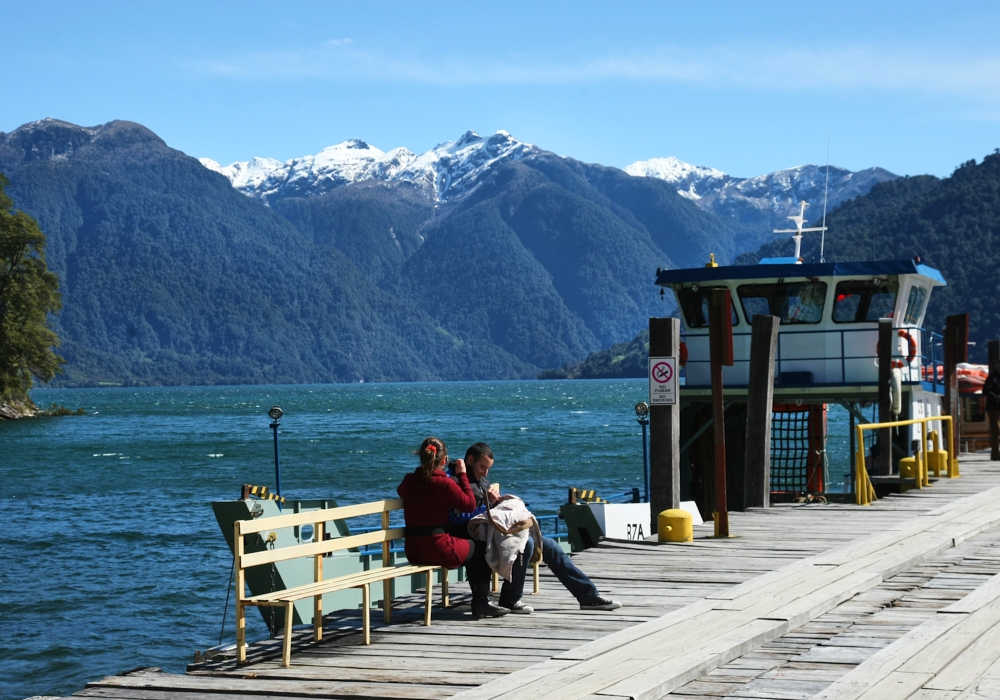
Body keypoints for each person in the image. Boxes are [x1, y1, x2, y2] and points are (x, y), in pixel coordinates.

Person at [449, 442, 621, 614]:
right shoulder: (455, 482)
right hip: (477, 536)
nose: (485, 473)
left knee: (551, 546)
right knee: (527, 543)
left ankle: (588, 596)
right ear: (470, 460)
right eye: (482, 467)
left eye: (488, 469)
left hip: (498, 532)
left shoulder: (481, 481)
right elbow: (457, 516)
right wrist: (490, 505)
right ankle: (511, 599)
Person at [397, 437, 508, 618]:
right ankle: (481, 603)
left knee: (470, 548)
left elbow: (401, 491)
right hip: (438, 548)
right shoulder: (445, 483)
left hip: (413, 549)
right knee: (480, 549)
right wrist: (463, 475)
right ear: (443, 460)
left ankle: (482, 602)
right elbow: (469, 505)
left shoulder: (410, 480)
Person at [984, 364, 1000, 461]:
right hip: (994, 408)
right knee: (996, 431)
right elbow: (986, 391)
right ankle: (995, 454)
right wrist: (997, 398)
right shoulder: (992, 378)